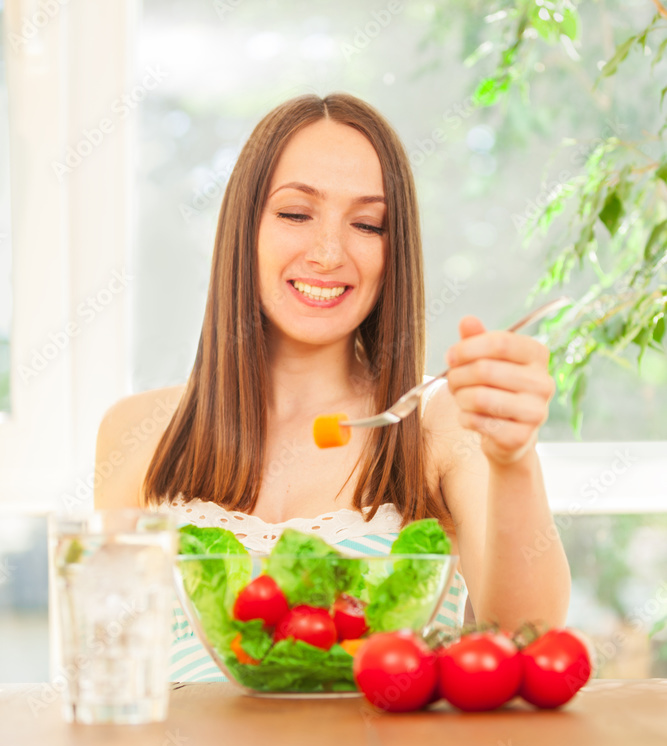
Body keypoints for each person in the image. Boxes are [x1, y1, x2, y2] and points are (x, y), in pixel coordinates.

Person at [94, 92, 570, 682]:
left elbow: (526, 637)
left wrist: (515, 460)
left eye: (367, 224)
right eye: (296, 214)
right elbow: (109, 671)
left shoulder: (439, 423)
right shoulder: (137, 431)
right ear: (245, 228)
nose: (327, 253)